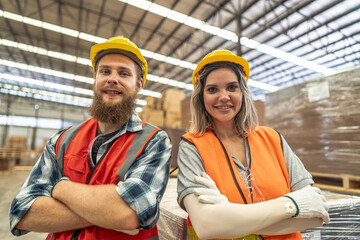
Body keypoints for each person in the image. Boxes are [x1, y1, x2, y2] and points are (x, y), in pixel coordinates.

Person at [9, 36, 172, 240]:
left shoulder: (154, 141)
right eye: (105, 71)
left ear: (138, 85)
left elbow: (128, 215)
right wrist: (108, 212)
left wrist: (60, 188)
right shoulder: (62, 140)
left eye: (123, 73)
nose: (112, 78)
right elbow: (22, 213)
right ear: (96, 79)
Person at [177, 49, 329, 240]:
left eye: (232, 87)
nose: (223, 96)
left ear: (243, 92)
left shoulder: (273, 139)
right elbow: (207, 226)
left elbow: (316, 215)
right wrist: (292, 205)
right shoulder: (192, 146)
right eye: (212, 89)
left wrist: (229, 214)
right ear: (201, 97)